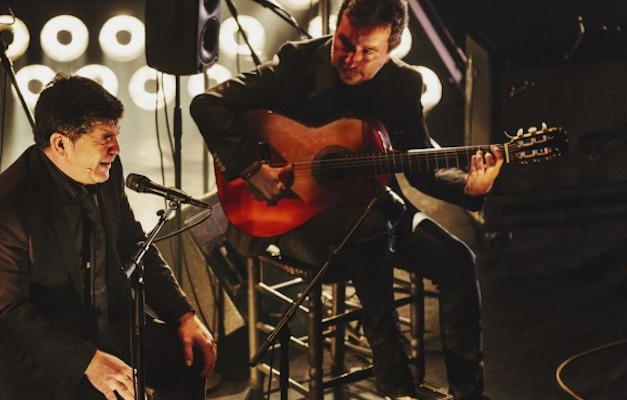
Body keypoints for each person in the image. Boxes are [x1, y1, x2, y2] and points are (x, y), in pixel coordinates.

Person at [190, 0, 501, 399]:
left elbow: (421, 164)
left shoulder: (403, 84)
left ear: (392, 48)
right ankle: (390, 368)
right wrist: (252, 170)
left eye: (367, 51)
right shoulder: (299, 63)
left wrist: (469, 188)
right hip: (294, 217)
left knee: (458, 260)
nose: (350, 58)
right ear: (336, 29)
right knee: (371, 228)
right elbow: (208, 104)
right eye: (344, 43)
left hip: (379, 212)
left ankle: (468, 392)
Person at [0, 74, 216, 399]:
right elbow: (9, 315)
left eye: (117, 136)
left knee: (190, 357)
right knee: (96, 392)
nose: (116, 149)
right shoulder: (5, 207)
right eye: (106, 138)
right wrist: (88, 361)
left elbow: (132, 243)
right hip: (25, 346)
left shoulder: (106, 170)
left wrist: (182, 314)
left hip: (95, 322)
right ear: (61, 144)